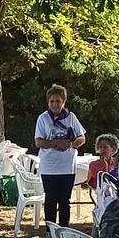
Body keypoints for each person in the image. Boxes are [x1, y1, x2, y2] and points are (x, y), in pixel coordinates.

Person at [32, 86, 87, 228]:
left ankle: (64, 229)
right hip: (49, 166)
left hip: (67, 166)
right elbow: (38, 141)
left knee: (64, 200)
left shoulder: (71, 117)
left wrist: (72, 143)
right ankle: (50, 230)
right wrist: (55, 144)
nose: (55, 105)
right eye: (52, 102)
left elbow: (81, 137)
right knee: (50, 199)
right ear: (48, 102)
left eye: (58, 101)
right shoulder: (43, 118)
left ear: (64, 102)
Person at [86, 134, 119, 223]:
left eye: (105, 147)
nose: (102, 150)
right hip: (103, 198)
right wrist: (104, 168)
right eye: (100, 147)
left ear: (113, 149)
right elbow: (96, 185)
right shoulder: (93, 165)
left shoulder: (118, 163)